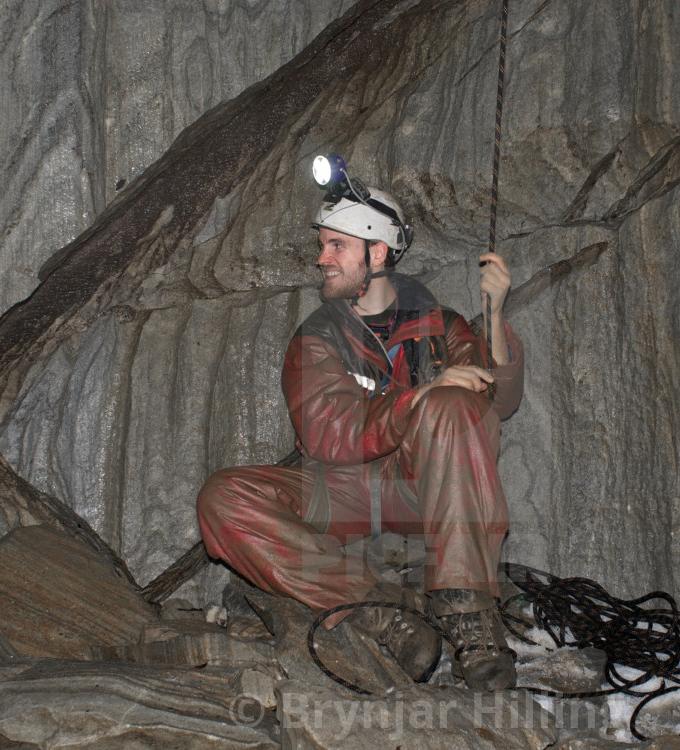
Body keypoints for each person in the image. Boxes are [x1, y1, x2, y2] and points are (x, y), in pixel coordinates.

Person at [196, 181, 524, 691]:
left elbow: (498, 403)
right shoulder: (315, 340)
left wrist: (496, 317)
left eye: (336, 245)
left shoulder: (444, 326)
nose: (322, 258)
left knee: (456, 402)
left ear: (378, 252)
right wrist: (420, 396)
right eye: (321, 244)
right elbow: (334, 436)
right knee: (222, 498)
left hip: (424, 486)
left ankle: (470, 616)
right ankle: (386, 610)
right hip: (344, 488)